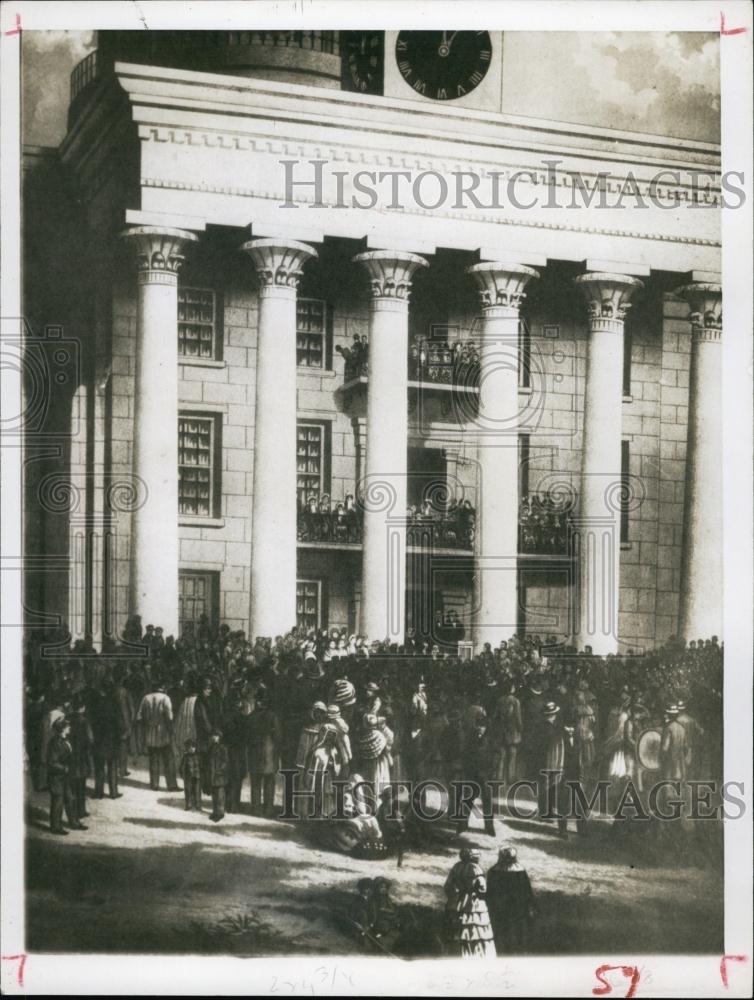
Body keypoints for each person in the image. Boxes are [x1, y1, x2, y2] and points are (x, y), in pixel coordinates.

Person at [443, 848, 496, 958]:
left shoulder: (456, 867)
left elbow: (447, 886)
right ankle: (478, 954)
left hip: (458, 900)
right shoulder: (475, 868)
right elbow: (482, 888)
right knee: (476, 928)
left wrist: (454, 896)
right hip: (473, 902)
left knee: (459, 927)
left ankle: (458, 953)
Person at [487, 847, 535, 953]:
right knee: (516, 932)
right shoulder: (520, 870)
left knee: (503, 932)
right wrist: (529, 905)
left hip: (502, 908)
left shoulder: (493, 871)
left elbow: (490, 892)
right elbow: (527, 891)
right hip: (517, 907)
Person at [136, 680, 178, 792]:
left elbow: (139, 717)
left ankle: (154, 784)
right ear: (163, 687)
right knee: (168, 759)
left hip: (150, 732)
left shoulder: (145, 698)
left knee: (153, 758)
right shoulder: (165, 698)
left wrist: (146, 725)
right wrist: (171, 731)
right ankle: (172, 785)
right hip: (163, 732)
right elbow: (169, 718)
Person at [47, 717, 88, 835]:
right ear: (62, 729)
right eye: (67, 726)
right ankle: (55, 827)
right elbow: (52, 763)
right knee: (58, 802)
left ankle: (74, 823)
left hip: (65, 777)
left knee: (70, 799)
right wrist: (65, 768)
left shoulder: (66, 739)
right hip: (56, 778)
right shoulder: (55, 743)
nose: (70, 728)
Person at [248, 688, 281, 817]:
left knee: (256, 782)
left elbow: (247, 737)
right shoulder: (273, 716)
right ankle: (268, 810)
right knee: (269, 782)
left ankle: (255, 809)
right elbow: (278, 737)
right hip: (269, 752)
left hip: (254, 753)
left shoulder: (251, 716)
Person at [208, 729, 229, 823]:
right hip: (213, 776)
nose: (214, 738)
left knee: (220, 795)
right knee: (214, 795)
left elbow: (225, 761)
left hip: (220, 776)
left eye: (216, 736)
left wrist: (220, 770)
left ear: (220, 737)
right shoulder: (211, 748)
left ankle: (220, 813)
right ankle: (214, 812)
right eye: (213, 736)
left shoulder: (223, 748)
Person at [180, 737, 202, 811]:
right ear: (187, 748)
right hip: (188, 777)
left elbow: (201, 766)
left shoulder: (198, 756)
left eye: (194, 747)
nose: (192, 749)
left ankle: (198, 805)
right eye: (190, 747)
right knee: (188, 790)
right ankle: (188, 804)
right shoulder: (185, 757)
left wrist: (200, 775)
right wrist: (183, 775)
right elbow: (181, 767)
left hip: (197, 776)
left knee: (197, 791)